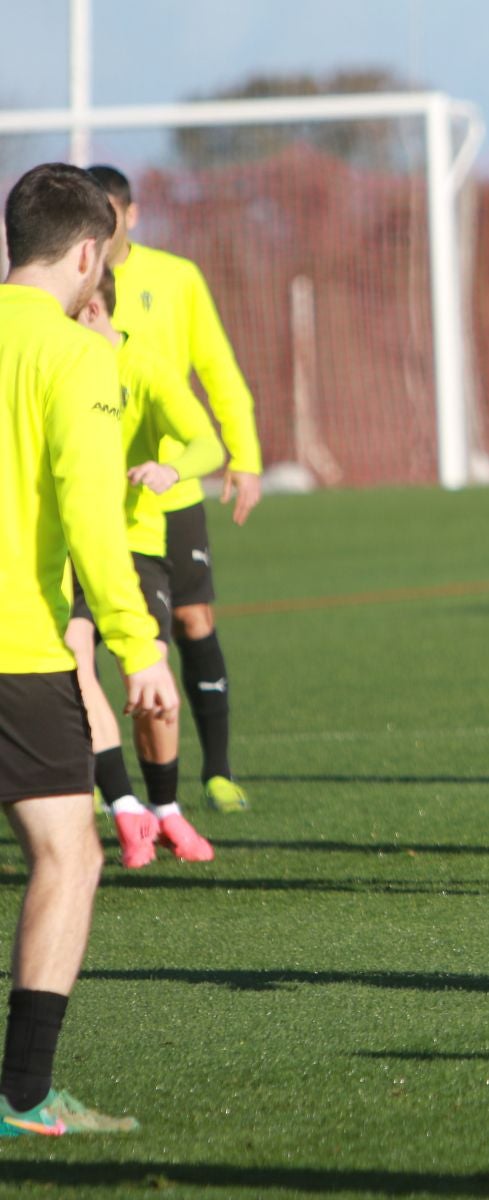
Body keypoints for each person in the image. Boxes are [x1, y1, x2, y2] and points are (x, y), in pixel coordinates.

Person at [0, 163, 178, 1137]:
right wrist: (136, 644)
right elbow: (89, 518)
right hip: (19, 646)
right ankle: (22, 1096)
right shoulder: (78, 358)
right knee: (67, 854)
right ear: (85, 253)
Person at [86, 166, 261, 814]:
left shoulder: (176, 276)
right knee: (97, 639)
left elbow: (217, 367)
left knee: (192, 619)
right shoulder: (65, 288)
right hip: (98, 497)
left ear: (130, 215)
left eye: (108, 213)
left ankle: (215, 771)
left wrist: (245, 457)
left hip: (175, 488)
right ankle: (115, 785)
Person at [67, 267, 223, 868]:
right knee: (73, 662)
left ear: (91, 313)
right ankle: (124, 804)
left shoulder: (144, 368)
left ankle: (166, 810)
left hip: (133, 545)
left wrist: (171, 470)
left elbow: (207, 444)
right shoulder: (63, 364)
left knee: (150, 681)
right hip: (69, 547)